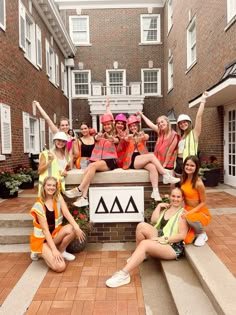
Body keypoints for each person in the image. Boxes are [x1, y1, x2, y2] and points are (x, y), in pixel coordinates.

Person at [106, 187, 188, 288]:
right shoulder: (167, 209)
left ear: (183, 198)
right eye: (173, 196)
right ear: (170, 197)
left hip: (172, 246)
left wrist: (165, 239)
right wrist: (158, 206)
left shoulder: (183, 214)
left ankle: (124, 274)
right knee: (141, 225)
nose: (175, 199)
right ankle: (140, 255)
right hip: (160, 237)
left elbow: (182, 235)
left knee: (144, 244)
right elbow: (154, 221)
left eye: (178, 197)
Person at [30, 176, 85, 272]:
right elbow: (45, 230)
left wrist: (77, 227)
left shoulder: (58, 198)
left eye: (53, 186)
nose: (51, 188)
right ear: (43, 187)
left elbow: (66, 213)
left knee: (73, 228)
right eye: (48, 185)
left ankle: (61, 251)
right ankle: (39, 252)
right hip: (42, 240)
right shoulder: (38, 205)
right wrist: (53, 250)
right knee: (60, 267)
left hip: (54, 235)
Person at [64, 113, 119, 207]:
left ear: (112, 124)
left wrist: (111, 139)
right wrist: (98, 137)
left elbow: (116, 140)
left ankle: (79, 189)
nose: (107, 126)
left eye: (108, 124)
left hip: (111, 161)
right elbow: (96, 138)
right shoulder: (99, 135)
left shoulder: (116, 134)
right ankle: (84, 198)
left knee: (92, 165)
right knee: (89, 168)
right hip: (100, 161)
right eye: (105, 125)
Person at [122, 115, 180, 201]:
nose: (132, 127)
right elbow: (126, 138)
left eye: (134, 125)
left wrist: (141, 136)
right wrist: (130, 136)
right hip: (132, 160)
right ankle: (165, 175)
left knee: (153, 168)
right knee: (152, 156)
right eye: (130, 126)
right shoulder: (128, 135)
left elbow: (146, 137)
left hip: (142, 158)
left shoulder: (142, 134)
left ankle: (155, 192)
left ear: (138, 126)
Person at [175, 91, 209, 176]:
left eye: (185, 122)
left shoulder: (194, 133)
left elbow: (198, 116)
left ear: (189, 122)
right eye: (180, 123)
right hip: (178, 162)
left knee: (190, 184)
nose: (183, 124)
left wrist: (203, 100)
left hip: (189, 163)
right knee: (179, 185)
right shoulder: (181, 136)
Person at [181, 155, 211, 246]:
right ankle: (192, 229)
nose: (189, 167)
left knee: (189, 217)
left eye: (192, 165)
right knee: (186, 240)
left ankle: (202, 234)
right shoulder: (183, 179)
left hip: (199, 212)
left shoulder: (199, 183)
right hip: (187, 209)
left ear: (196, 167)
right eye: (187, 164)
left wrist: (190, 213)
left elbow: (204, 202)